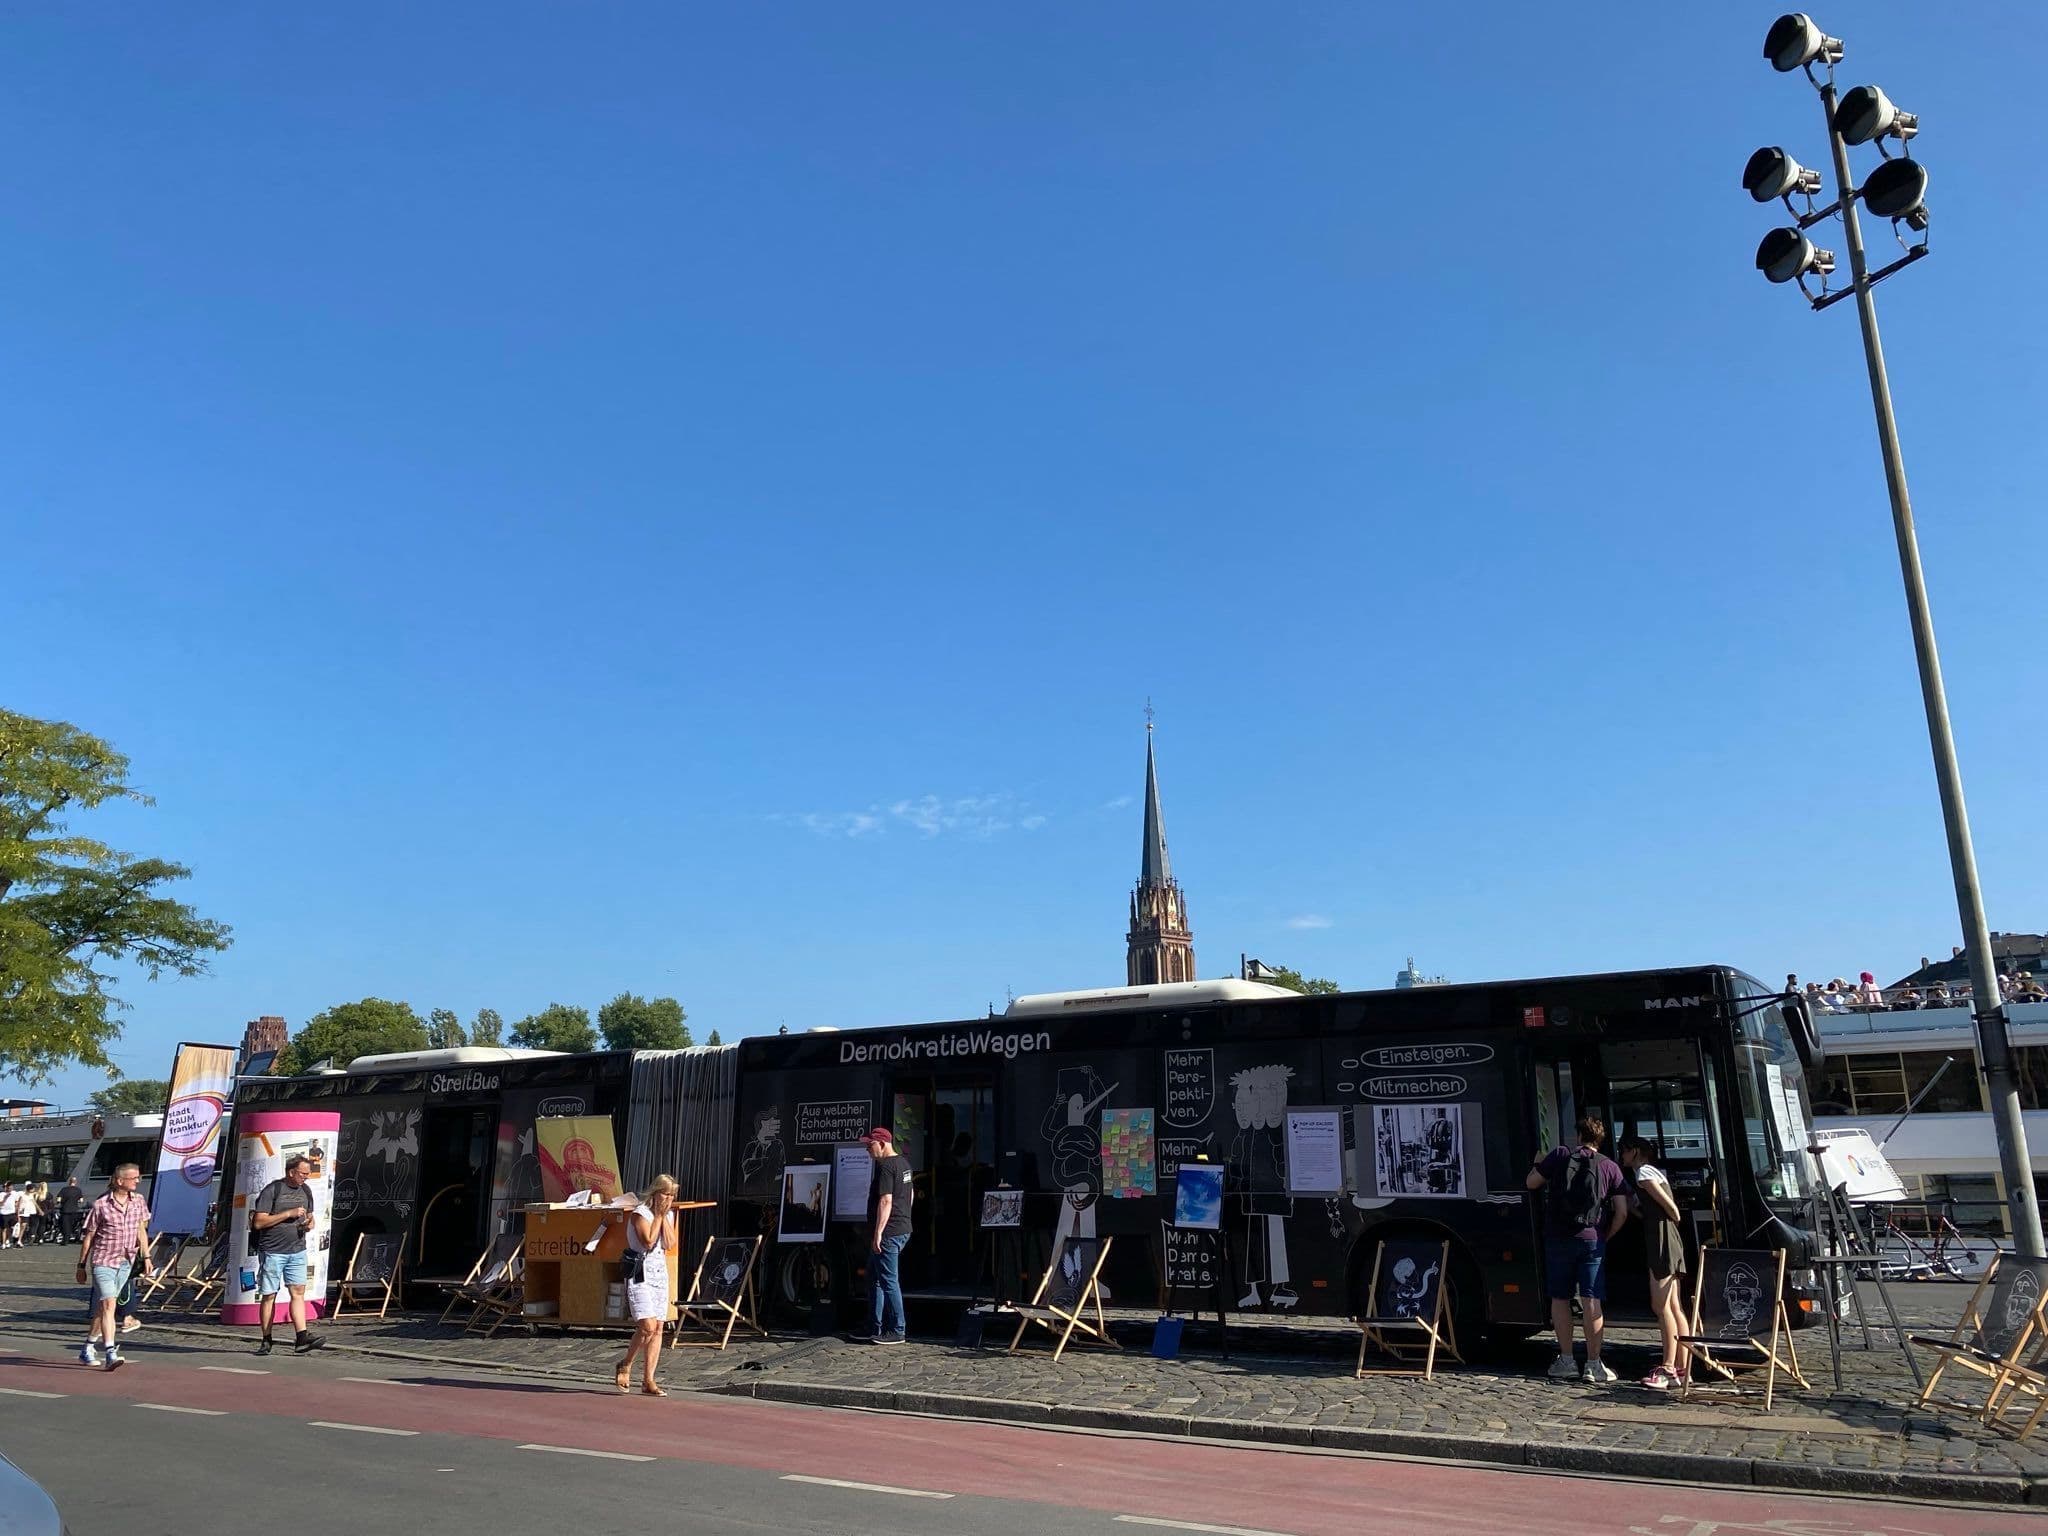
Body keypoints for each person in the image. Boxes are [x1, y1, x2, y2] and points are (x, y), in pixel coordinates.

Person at [1525, 1115, 1628, 1385]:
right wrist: (1605, 1235)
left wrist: (1538, 1161)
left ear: (1579, 1136)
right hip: (1592, 1239)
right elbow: (1622, 1211)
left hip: (1558, 1238)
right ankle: (1594, 1364)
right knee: (1591, 1299)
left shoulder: (1559, 1156)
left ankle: (1567, 1360)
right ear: (1600, 1139)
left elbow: (1531, 1183)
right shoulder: (1609, 1166)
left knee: (1560, 1298)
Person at [1618, 1136, 1689, 1390]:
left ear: (1635, 1151)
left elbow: (1667, 1205)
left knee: (1661, 1307)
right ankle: (1683, 1367)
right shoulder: (1652, 1173)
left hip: (1661, 1242)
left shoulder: (1644, 1173)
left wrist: (1674, 1214)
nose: (1622, 1157)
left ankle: (1669, 1367)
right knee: (1674, 1305)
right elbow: (1651, 1210)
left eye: (1624, 1151)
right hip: (1667, 1240)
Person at [77, 1161, 155, 1370]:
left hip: (126, 1261)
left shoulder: (138, 1201)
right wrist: (81, 1265)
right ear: (120, 1181)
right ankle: (111, 1352)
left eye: (138, 1177)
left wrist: (146, 1257)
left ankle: (87, 1347)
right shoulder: (101, 1205)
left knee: (104, 1310)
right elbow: (89, 1235)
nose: (138, 1181)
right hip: (103, 1261)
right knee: (109, 1304)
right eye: (134, 1178)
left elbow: (141, 1231)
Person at [248, 1154, 324, 1356]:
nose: (306, 1177)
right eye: (303, 1173)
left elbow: (311, 1218)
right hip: (273, 1251)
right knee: (269, 1295)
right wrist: (287, 1214)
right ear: (291, 1172)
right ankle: (266, 1339)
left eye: (308, 1174)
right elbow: (258, 1222)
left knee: (298, 1292)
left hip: (297, 1249)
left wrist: (309, 1224)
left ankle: (302, 1337)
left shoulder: (306, 1191)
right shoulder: (273, 1190)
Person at [614, 1174, 680, 1396]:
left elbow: (669, 1243)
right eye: (665, 1194)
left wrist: (666, 1216)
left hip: (659, 1273)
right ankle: (626, 1363)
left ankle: (648, 1380)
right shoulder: (640, 1214)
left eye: (672, 1195)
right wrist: (659, 1216)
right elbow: (649, 1241)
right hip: (639, 1272)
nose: (669, 1199)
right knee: (647, 1326)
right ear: (655, 1193)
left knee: (659, 1327)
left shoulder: (668, 1214)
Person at [858, 1126, 914, 1344]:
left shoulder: (886, 1167)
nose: (867, 1150)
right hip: (902, 1228)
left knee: (889, 1281)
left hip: (889, 1232)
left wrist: (878, 1233)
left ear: (881, 1144)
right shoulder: (904, 1164)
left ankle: (898, 1329)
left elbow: (886, 1200)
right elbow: (910, 1197)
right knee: (875, 1278)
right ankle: (874, 1326)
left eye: (870, 1145)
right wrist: (906, 1219)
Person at [57, 1176, 87, 1243]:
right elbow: (81, 1200)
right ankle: (70, 1236)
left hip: (65, 1209)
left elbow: (58, 1199)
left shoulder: (64, 1189)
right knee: (71, 1224)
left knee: (65, 1224)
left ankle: (65, 1239)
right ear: (75, 1182)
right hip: (74, 1210)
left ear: (69, 1182)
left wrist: (59, 1202)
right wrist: (75, 1201)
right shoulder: (78, 1190)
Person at [0, 1183, 18, 1248]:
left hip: (12, 1213)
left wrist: (16, 1210)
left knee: (10, 1228)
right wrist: (5, 1198)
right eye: (8, 1187)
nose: (10, 1188)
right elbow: (0, 1204)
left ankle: (7, 1239)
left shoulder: (15, 1193)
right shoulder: (1, 1194)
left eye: (11, 1187)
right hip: (3, 1213)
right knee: (3, 1229)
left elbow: (17, 1201)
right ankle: (3, 1243)